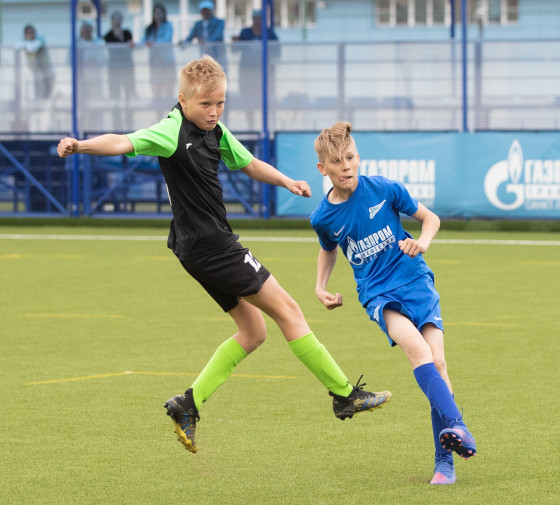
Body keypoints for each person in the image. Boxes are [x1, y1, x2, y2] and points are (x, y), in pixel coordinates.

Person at [56, 56, 391, 454]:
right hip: (212, 245)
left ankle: (188, 404)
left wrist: (286, 181)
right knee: (289, 311)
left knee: (254, 332)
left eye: (220, 103)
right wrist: (81, 145)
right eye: (205, 104)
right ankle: (343, 394)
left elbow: (248, 163)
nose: (214, 112)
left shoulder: (215, 131)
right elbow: (124, 140)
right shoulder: (171, 131)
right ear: (182, 99)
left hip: (194, 248)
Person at [310, 122, 477, 485]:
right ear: (323, 168)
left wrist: (424, 241)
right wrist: (321, 286)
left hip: (415, 280)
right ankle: (460, 427)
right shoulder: (323, 217)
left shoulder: (384, 189)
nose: (346, 167)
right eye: (337, 162)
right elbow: (328, 250)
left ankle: (443, 464)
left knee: (440, 364)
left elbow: (430, 218)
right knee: (418, 350)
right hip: (378, 294)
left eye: (351, 158)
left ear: (359, 157)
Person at [231, 9, 279, 129]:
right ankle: (251, 127)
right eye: (255, 19)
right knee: (248, 101)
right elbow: (235, 50)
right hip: (247, 73)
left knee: (265, 101)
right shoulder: (245, 32)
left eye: (260, 19)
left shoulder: (269, 33)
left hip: (264, 73)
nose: (257, 21)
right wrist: (235, 42)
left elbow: (277, 52)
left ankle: (266, 127)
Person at [105, 10, 137, 128]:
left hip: (127, 68)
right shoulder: (107, 35)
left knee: (128, 97)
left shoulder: (127, 33)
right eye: (115, 18)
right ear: (112, 21)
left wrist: (122, 37)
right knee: (115, 98)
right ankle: (116, 124)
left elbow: (130, 46)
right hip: (114, 69)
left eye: (119, 18)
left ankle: (129, 124)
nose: (117, 21)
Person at [143, 3, 176, 99]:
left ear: (164, 14)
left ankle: (169, 114)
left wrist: (153, 43)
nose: (158, 15)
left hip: (167, 62)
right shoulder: (149, 29)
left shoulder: (168, 25)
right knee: (156, 90)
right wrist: (133, 44)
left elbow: (167, 39)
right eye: (156, 13)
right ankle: (159, 113)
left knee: (168, 90)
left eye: (160, 12)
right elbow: (143, 41)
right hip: (155, 63)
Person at [15, 24, 54, 100]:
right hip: (35, 73)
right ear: (25, 34)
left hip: (48, 72)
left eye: (31, 32)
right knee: (37, 93)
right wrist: (27, 43)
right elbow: (17, 45)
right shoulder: (24, 41)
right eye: (28, 33)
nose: (30, 34)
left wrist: (26, 44)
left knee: (48, 93)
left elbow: (32, 48)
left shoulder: (40, 38)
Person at [184, 0, 227, 69]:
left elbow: (217, 35)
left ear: (211, 10)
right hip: (205, 57)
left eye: (207, 10)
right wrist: (183, 43)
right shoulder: (198, 24)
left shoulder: (219, 22)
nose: (205, 12)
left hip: (219, 57)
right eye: (204, 10)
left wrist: (207, 42)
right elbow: (190, 37)